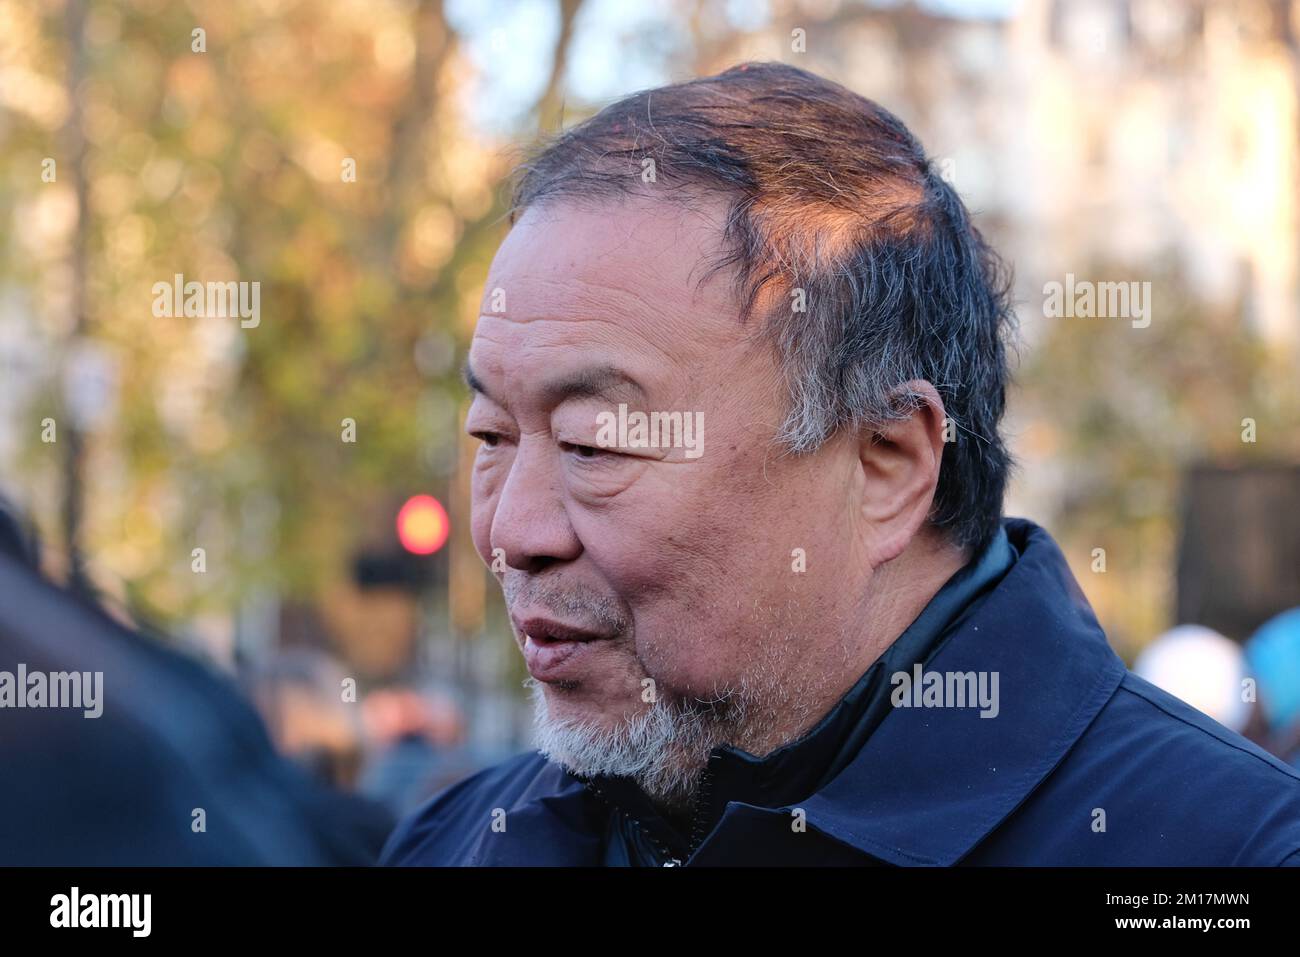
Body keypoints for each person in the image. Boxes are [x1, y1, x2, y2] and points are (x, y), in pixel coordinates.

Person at [382, 62, 1300, 866]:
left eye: (594, 442)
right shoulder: (463, 838)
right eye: (491, 437)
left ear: (888, 463)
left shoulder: (1226, 850)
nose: (512, 534)